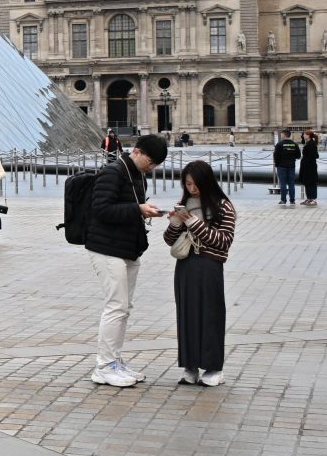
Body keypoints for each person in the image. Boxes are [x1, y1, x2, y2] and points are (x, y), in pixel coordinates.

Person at [85, 133, 168, 389]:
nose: (152, 168)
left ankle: (114, 360)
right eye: (151, 162)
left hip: (127, 247)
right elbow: (101, 209)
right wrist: (138, 209)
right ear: (138, 152)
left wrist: (144, 209)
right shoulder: (112, 172)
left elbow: (128, 206)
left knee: (124, 307)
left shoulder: (136, 174)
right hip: (106, 248)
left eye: (156, 165)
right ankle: (104, 366)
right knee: (116, 306)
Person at [163, 158, 236, 386]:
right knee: (187, 315)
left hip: (210, 265)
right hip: (186, 265)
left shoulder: (223, 206)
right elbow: (169, 240)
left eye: (196, 184)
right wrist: (175, 223)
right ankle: (190, 366)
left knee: (210, 315)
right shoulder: (184, 203)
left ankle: (214, 368)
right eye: (188, 184)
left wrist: (195, 223)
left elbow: (223, 241)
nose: (192, 188)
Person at [270, 129, 299, 205]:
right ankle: (292, 200)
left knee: (283, 184)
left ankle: (283, 200)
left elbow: (275, 156)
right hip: (291, 166)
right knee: (291, 184)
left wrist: (277, 164)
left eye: (282, 134)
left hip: (282, 166)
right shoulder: (294, 144)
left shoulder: (279, 144)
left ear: (284, 135)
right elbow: (298, 155)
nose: (281, 135)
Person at [298, 130, 320, 206]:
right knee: (307, 182)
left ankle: (313, 199)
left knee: (311, 182)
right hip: (307, 166)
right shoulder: (308, 143)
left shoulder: (311, 144)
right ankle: (309, 198)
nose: (303, 135)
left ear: (308, 135)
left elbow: (315, 155)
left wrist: (306, 161)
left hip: (310, 166)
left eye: (304, 134)